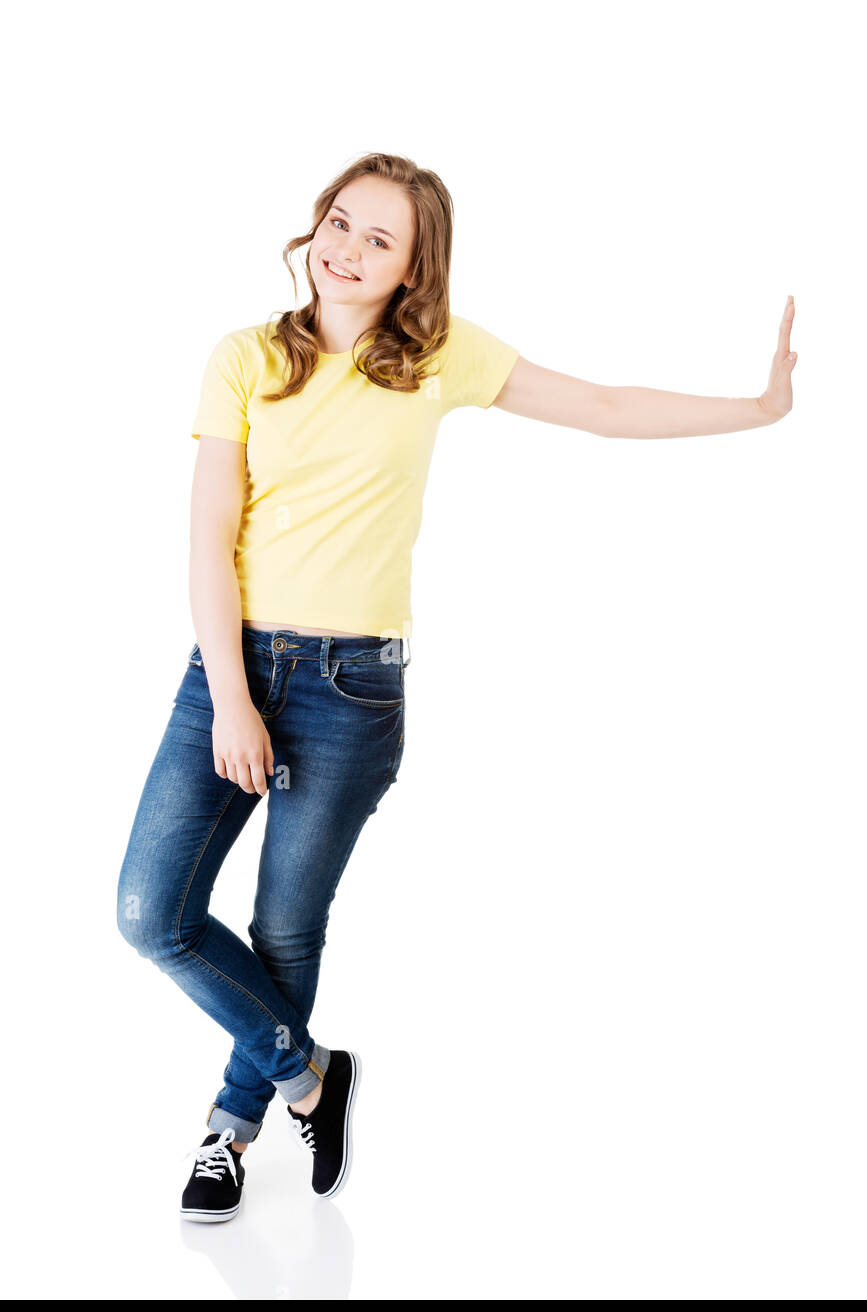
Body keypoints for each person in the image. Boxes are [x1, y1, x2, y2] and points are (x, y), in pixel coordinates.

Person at [117, 151, 798, 1222]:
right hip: (229, 669)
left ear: (414, 266)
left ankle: (229, 1128)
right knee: (150, 913)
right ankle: (309, 1077)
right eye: (339, 222)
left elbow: (607, 406)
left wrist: (758, 408)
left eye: (378, 239)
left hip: (353, 691)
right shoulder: (245, 356)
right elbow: (206, 535)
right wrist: (237, 698)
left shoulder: (437, 355)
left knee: (286, 929)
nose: (346, 248)